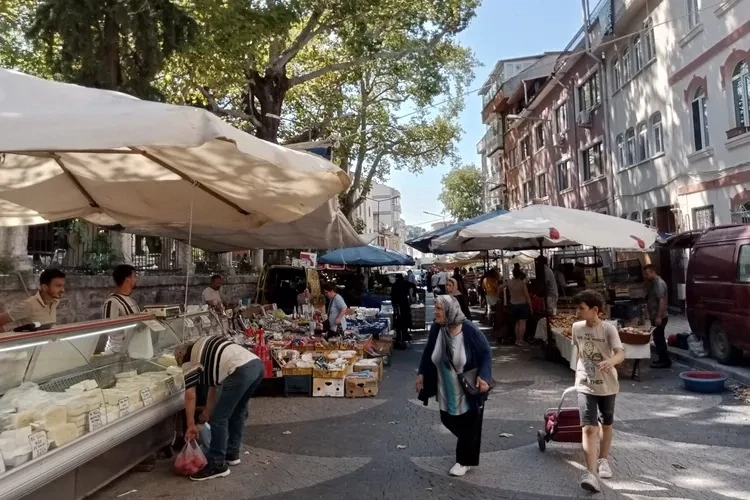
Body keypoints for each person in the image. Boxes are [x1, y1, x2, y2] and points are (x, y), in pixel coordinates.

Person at [416, 295, 492, 477]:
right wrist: (421, 374)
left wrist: (484, 377)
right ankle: (469, 444)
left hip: (467, 388)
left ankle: (464, 460)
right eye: (436, 308)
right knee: (447, 419)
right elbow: (428, 352)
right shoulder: (437, 328)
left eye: (439, 309)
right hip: (445, 387)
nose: (435, 312)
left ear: (450, 311)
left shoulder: (469, 330)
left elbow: (486, 352)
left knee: (470, 422)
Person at [175, 335, 263, 481]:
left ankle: (217, 464)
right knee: (237, 412)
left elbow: (190, 395)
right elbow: (213, 390)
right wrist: (204, 417)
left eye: (177, 361)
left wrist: (190, 424)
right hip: (256, 366)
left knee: (219, 418)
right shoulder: (204, 349)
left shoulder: (190, 361)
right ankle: (232, 453)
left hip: (240, 370)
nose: (179, 365)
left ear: (180, 354)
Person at [570, 290, 625, 493]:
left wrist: (610, 362)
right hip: (585, 383)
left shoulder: (608, 329)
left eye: (581, 308)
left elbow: (620, 353)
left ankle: (603, 459)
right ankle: (590, 473)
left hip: (608, 385)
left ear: (595, 310)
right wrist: (577, 377)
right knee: (588, 427)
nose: (577, 312)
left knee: (606, 424)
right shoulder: (576, 327)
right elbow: (579, 354)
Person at [0, 268, 66, 331]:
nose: (63, 290)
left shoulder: (55, 302)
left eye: (63, 286)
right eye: (58, 286)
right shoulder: (29, 304)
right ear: (44, 287)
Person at [102, 264, 141, 353]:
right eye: (134, 277)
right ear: (127, 280)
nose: (136, 280)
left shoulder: (131, 300)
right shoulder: (112, 301)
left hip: (131, 349)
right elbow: (109, 329)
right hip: (117, 351)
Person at [644, 264, 670, 368]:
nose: (645, 276)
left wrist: (659, 316)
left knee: (659, 339)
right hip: (654, 316)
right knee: (657, 338)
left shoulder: (659, 283)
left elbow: (661, 300)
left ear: (653, 272)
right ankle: (662, 359)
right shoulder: (653, 283)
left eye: (647, 274)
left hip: (659, 316)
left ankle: (664, 361)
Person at [506, 268, 533, 346]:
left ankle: (517, 340)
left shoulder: (509, 282)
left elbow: (500, 287)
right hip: (522, 305)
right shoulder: (522, 284)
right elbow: (527, 296)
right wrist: (530, 307)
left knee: (517, 323)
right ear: (520, 275)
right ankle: (521, 340)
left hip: (514, 305)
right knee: (522, 322)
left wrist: (497, 296)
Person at [390, 274, 413, 347]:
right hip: (405, 304)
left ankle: (399, 337)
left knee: (398, 321)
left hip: (397, 305)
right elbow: (413, 286)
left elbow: (392, 296)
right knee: (405, 320)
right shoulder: (406, 283)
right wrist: (412, 295)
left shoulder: (394, 285)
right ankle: (405, 335)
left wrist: (393, 304)